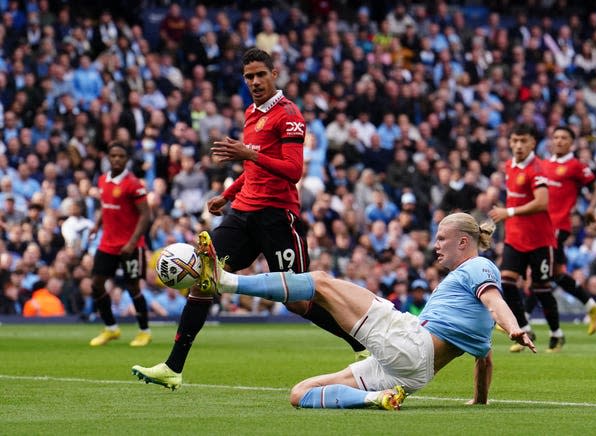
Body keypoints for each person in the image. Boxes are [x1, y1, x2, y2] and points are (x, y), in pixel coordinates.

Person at [132, 48, 366, 386]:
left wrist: (245, 153)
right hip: (241, 214)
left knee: (299, 301)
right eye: (249, 77)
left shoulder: (289, 115)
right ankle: (173, 368)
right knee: (204, 276)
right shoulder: (251, 112)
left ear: (274, 74)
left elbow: (293, 170)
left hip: (276, 217)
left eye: (260, 74)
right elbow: (253, 165)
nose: (255, 82)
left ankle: (361, 345)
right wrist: (226, 196)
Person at [133, 213, 536, 409]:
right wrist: (479, 401)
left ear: (465, 242)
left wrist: (515, 327)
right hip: (412, 375)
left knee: (321, 280)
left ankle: (223, 281)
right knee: (299, 395)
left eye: (443, 239)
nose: (436, 246)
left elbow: (495, 301)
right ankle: (377, 399)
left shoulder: (479, 267)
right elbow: (484, 357)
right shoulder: (470, 294)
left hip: (411, 343)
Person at [488, 124, 563, 353]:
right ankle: (524, 328)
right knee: (507, 282)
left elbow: (542, 202)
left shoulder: (537, 168)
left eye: (523, 141)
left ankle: (556, 333)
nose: (518, 145)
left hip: (540, 239)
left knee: (541, 288)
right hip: (515, 237)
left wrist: (508, 213)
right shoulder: (509, 166)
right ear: (509, 142)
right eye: (514, 140)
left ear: (532, 143)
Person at [534, 126, 596, 334]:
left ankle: (523, 321)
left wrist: (591, 209)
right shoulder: (544, 164)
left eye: (564, 138)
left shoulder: (576, 166)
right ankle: (593, 307)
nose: (559, 141)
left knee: (540, 272)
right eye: (555, 137)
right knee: (555, 274)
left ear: (571, 143)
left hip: (559, 226)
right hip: (541, 225)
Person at [88, 142, 152, 347]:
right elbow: (104, 206)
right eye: (113, 155)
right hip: (107, 243)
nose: (116, 159)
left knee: (133, 287)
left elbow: (145, 215)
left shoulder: (133, 184)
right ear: (108, 157)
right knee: (96, 284)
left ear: (127, 159)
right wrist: (96, 225)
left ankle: (144, 331)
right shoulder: (101, 180)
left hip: (130, 245)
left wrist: (133, 242)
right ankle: (111, 328)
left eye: (121, 156)